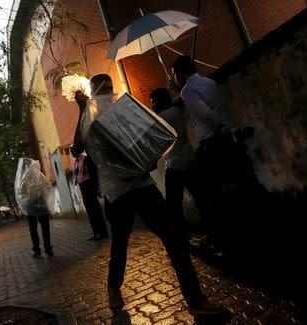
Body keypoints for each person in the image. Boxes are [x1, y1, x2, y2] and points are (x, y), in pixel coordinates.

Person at [73, 74, 229, 316]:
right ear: (93, 92)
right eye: (102, 89)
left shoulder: (124, 110)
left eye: (109, 88)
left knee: (175, 239)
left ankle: (196, 300)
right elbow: (77, 148)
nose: (107, 93)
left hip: (143, 184)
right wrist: (82, 110)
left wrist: (148, 158)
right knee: (120, 243)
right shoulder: (89, 118)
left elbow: (145, 138)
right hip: (118, 192)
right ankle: (114, 287)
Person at [171, 55, 260, 252]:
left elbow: (206, 113)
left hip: (211, 144)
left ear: (180, 73)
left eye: (175, 74)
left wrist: (226, 127)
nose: (175, 79)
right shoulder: (209, 82)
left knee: (213, 194)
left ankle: (220, 239)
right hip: (226, 139)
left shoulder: (187, 91)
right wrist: (229, 129)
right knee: (234, 185)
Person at [149, 88, 210, 240]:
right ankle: (212, 231)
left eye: (153, 102)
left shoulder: (162, 117)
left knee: (173, 205)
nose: (152, 106)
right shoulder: (176, 111)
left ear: (160, 101)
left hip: (175, 166)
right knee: (201, 198)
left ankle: (181, 235)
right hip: (189, 159)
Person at [14, 158, 53, 258]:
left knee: (33, 228)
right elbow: (48, 186)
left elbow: (21, 192)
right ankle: (48, 249)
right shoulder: (39, 174)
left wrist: (29, 195)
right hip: (41, 202)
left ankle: (37, 250)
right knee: (45, 227)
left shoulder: (24, 177)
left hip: (29, 205)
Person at [70, 146, 108, 241]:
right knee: (89, 210)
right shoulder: (76, 161)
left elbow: (93, 172)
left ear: (78, 150)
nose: (71, 153)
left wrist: (96, 187)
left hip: (89, 185)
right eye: (70, 151)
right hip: (82, 187)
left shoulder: (86, 158)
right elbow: (77, 173)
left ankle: (102, 232)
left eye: (72, 150)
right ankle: (95, 232)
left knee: (95, 209)